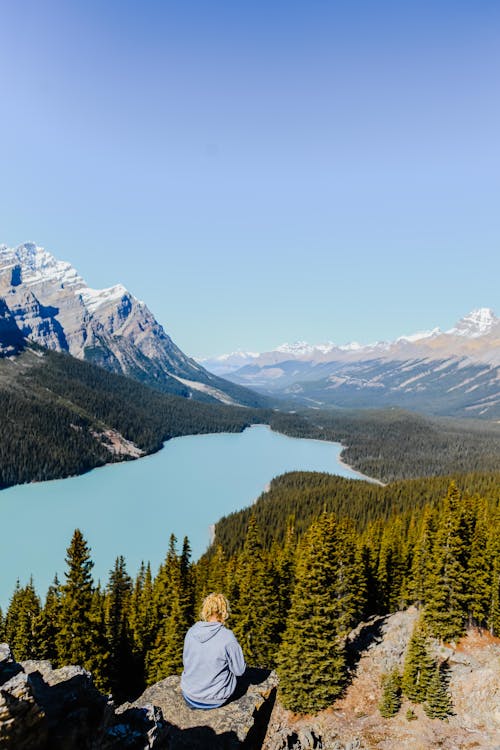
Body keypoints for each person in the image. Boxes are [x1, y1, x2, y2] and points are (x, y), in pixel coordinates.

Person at [181, 592, 246, 709]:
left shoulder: (191, 631)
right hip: (215, 700)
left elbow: (186, 662)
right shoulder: (227, 637)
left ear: (206, 610)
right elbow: (239, 670)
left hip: (189, 695)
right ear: (224, 611)